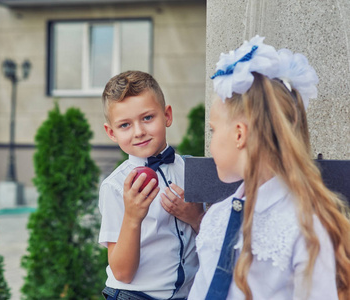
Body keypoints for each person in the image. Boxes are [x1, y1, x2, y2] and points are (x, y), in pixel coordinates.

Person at [188, 35, 350, 300]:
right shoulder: (216, 217)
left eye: (213, 130)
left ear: (239, 134)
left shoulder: (305, 226)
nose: (211, 143)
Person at [98, 70, 203, 300]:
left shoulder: (190, 170)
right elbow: (122, 272)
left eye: (147, 118)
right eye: (125, 125)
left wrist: (196, 217)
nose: (139, 132)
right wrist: (133, 217)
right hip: (135, 295)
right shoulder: (115, 187)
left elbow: (216, 235)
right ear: (111, 133)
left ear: (167, 115)